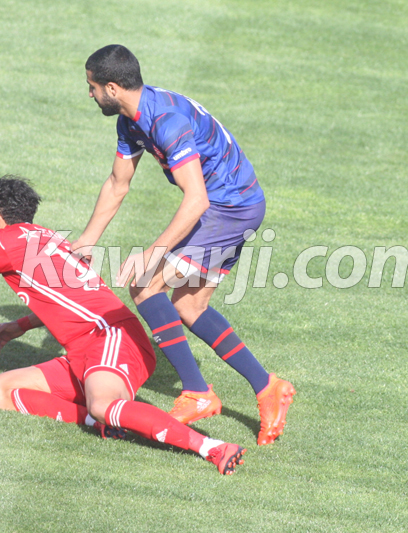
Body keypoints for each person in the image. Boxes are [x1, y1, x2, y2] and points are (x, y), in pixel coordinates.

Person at [0, 176, 246, 475]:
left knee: (103, 403)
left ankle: (212, 447)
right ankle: (96, 422)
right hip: (85, 349)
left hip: (110, 337)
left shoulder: (0, 241)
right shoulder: (47, 236)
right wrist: (19, 326)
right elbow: (66, 299)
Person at [70, 44, 295, 446]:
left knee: (145, 284)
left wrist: (151, 254)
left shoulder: (166, 121)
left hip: (230, 208)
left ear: (112, 88)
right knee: (189, 307)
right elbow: (118, 183)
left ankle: (198, 392)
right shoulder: (131, 120)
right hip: (231, 205)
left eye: (92, 87)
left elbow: (197, 200)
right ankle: (268, 387)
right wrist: (88, 240)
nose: (90, 94)